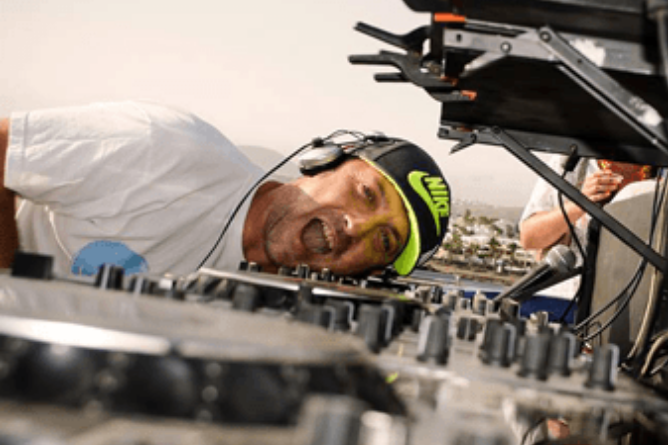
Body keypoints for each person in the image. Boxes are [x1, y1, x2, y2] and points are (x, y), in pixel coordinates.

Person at [0, 101, 451, 278]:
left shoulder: (279, 308)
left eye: (385, 240)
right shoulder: (166, 147)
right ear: (325, 160)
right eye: (368, 193)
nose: (358, 226)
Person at [519, 154, 625, 263]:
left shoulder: (643, 163)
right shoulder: (570, 160)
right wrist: (579, 203)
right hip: (576, 276)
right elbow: (529, 238)